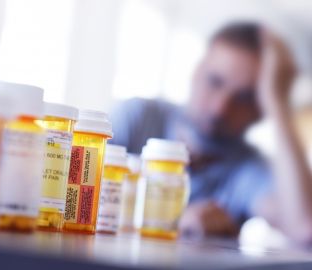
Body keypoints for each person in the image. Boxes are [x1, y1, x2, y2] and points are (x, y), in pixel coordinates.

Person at [110, 22, 312, 244]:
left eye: (244, 98)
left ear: (260, 111)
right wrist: (173, 221)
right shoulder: (137, 117)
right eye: (215, 82)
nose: (220, 108)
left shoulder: (248, 168)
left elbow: (305, 228)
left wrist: (278, 103)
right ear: (196, 71)